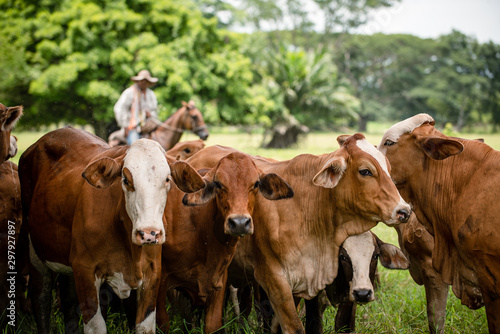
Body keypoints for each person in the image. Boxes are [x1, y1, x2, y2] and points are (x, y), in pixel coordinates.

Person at [113, 69, 159, 145]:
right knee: (135, 145)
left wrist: (150, 114)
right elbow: (119, 109)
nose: (144, 82)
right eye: (142, 80)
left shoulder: (151, 94)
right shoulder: (129, 92)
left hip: (148, 126)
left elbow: (154, 110)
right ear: (138, 81)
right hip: (133, 128)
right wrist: (125, 126)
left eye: (146, 81)